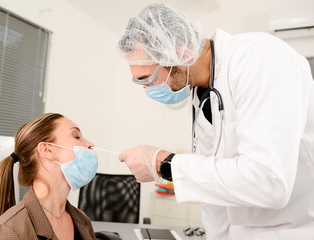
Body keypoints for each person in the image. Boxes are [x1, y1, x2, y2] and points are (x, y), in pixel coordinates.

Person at [117, 3, 314, 240]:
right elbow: (215, 197)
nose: (147, 89)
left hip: (294, 230)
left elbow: (268, 181)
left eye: (146, 79)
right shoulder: (201, 95)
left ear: (179, 52)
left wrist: (164, 164)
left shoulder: (258, 58)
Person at [0, 113, 97, 240]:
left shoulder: (82, 221)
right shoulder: (9, 230)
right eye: (77, 137)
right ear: (47, 150)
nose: (90, 144)